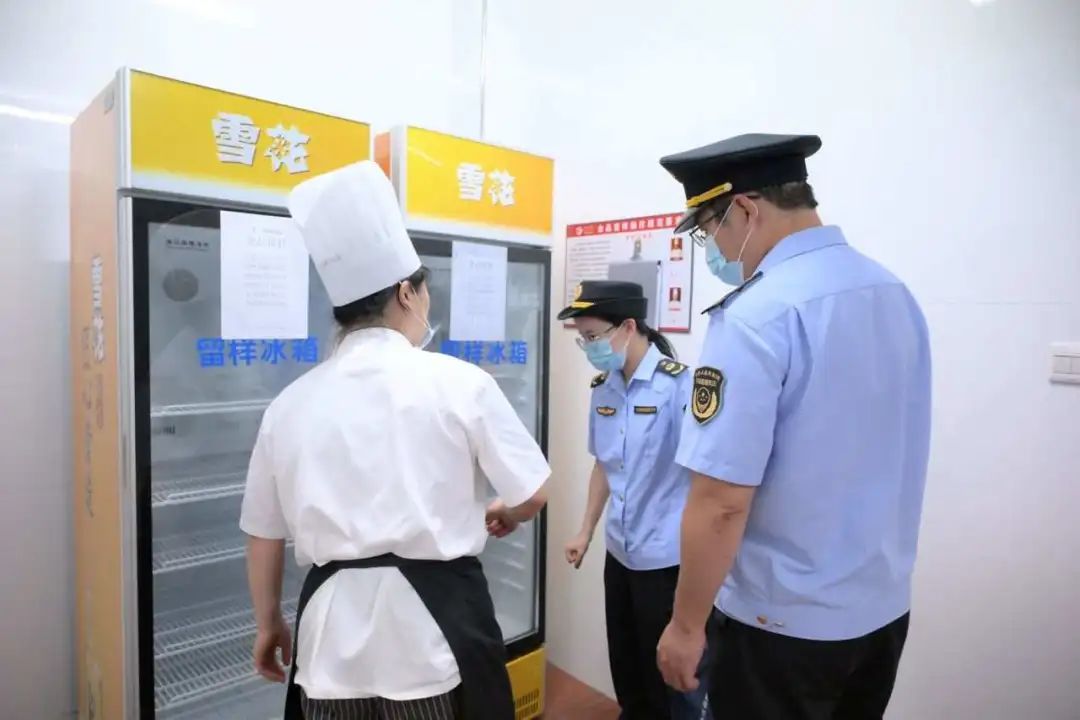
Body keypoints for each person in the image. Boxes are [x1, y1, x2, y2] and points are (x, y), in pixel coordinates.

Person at [240, 160, 550, 720]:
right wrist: (507, 512)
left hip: (327, 648)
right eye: (425, 293)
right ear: (407, 294)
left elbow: (263, 532)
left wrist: (268, 623)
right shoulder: (460, 382)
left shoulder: (288, 405)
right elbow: (533, 493)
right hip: (432, 639)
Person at [654, 134, 932, 719]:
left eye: (708, 230)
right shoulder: (892, 291)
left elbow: (721, 501)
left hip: (780, 626)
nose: (714, 249)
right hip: (881, 612)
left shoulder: (758, 315)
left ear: (745, 209)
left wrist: (684, 626)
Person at [558, 281, 709, 720]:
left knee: (669, 682)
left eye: (593, 336)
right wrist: (585, 531)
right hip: (620, 554)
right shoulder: (604, 387)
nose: (589, 348)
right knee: (627, 668)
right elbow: (604, 465)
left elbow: (705, 477)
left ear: (627, 327)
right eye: (583, 339)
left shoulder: (679, 387)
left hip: (665, 561)